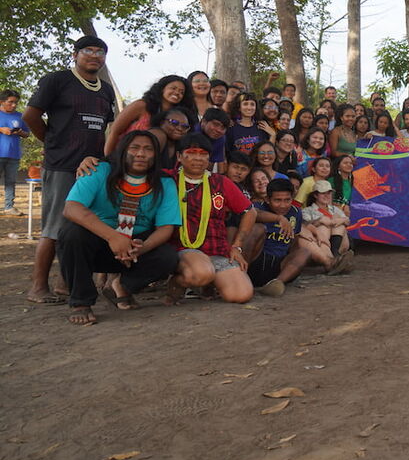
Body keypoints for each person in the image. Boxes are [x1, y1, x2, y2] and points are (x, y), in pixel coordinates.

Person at [23, 36, 117, 304]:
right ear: (75, 54)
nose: (95, 56)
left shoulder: (105, 90)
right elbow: (30, 116)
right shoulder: (57, 80)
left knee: (82, 225)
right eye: (88, 50)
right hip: (62, 165)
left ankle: (65, 285)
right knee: (54, 228)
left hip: (94, 168)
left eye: (101, 52)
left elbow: (106, 127)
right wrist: (52, 144)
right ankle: (38, 288)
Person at [55, 130, 180, 324]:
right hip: (98, 243)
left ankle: (121, 286)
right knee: (71, 234)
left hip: (136, 248)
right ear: (122, 151)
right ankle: (81, 302)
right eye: (135, 148)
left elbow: (165, 228)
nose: (141, 154)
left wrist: (141, 248)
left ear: (156, 155)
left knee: (168, 256)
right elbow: (71, 208)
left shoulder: (165, 183)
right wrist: (114, 237)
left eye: (148, 149)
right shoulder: (98, 170)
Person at [172, 134, 257, 305]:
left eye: (203, 153)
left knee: (241, 295)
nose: (198, 158)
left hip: (217, 250)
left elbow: (250, 211)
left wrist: (237, 246)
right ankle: (176, 284)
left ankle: (209, 281)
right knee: (202, 273)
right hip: (183, 249)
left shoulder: (220, 182)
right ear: (179, 156)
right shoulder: (167, 179)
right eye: (191, 152)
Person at [105, 74, 193, 154]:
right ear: (162, 89)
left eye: (181, 92)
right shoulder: (141, 105)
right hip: (125, 157)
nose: (177, 93)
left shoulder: (178, 116)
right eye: (173, 88)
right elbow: (115, 131)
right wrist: (109, 159)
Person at [301, 179, 354, 273]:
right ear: (315, 195)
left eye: (329, 193)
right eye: (323, 193)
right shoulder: (307, 211)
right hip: (320, 244)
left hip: (340, 244)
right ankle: (332, 260)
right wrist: (320, 221)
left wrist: (338, 220)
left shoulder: (335, 209)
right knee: (323, 227)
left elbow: (347, 220)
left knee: (339, 223)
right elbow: (304, 225)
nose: (327, 196)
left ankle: (335, 254)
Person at [0, 90, 30, 215]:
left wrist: (21, 133)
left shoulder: (20, 116)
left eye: (16, 103)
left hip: (13, 155)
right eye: (10, 102)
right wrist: (1, 129)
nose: (14, 105)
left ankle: (9, 207)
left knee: (11, 181)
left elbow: (27, 133)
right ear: (2, 102)